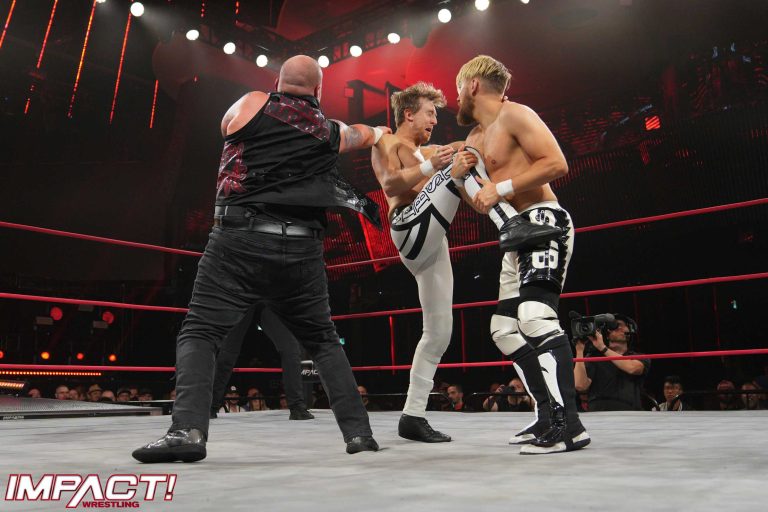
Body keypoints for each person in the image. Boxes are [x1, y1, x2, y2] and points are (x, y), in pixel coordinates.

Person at [133, 55, 387, 463]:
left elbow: (226, 128)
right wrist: (381, 131)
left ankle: (187, 430)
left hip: (239, 241)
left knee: (200, 331)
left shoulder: (253, 102)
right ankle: (359, 435)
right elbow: (362, 135)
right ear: (318, 90)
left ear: (277, 82)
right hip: (301, 249)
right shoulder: (328, 130)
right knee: (322, 340)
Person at [371, 83, 559, 443]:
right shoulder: (387, 142)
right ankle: (509, 224)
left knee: (439, 331)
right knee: (454, 170)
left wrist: (494, 122)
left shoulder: (430, 150)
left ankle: (412, 415)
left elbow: (468, 148)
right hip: (407, 227)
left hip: (432, 242)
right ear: (408, 114)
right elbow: (392, 185)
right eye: (429, 113)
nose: (434, 120)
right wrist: (438, 165)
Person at [450, 55, 589, 454]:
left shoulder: (515, 115)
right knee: (505, 329)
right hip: (513, 234)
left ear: (472, 85)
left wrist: (504, 186)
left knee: (535, 317)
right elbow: (482, 202)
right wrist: (460, 179)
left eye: (457, 88)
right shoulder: (474, 140)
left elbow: (557, 163)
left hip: (543, 221)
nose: (456, 98)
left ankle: (569, 426)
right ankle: (547, 415)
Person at [210, 303, 313, 420]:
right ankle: (210, 406)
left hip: (266, 301)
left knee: (291, 348)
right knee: (228, 354)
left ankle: (297, 407)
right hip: (242, 299)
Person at [574, 316, 650, 411]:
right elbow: (580, 386)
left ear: (629, 331)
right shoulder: (594, 357)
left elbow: (632, 368)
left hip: (629, 413)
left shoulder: (638, 356)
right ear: (607, 333)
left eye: (620, 325)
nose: (616, 327)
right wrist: (579, 351)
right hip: (599, 414)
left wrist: (603, 348)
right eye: (613, 326)